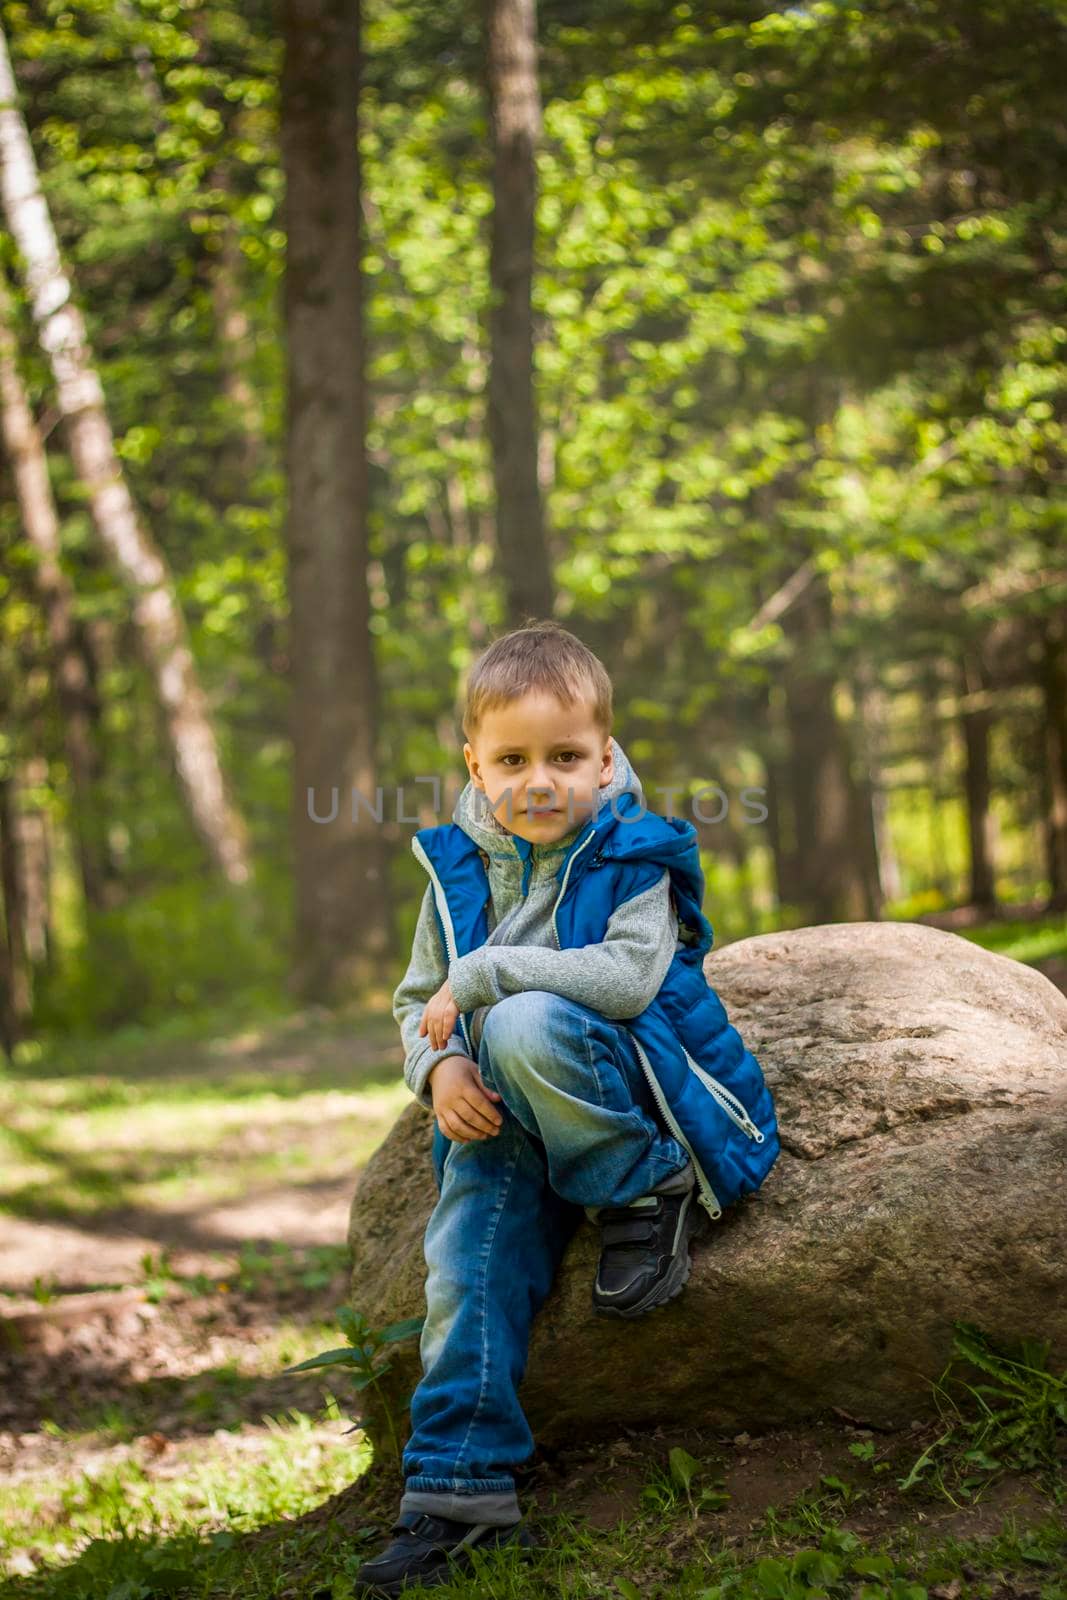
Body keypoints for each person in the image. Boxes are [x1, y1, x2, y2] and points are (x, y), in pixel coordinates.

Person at [354, 619, 780, 1598]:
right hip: (505, 1109)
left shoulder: (636, 849)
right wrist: (439, 1074)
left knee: (523, 1021)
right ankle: (458, 1498)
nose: (537, 779)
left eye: (563, 756)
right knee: (464, 1262)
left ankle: (638, 1187)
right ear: (473, 762)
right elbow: (418, 997)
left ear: (603, 758)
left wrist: (489, 975)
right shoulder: (457, 864)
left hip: (625, 1083)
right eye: (510, 759)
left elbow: (628, 977)